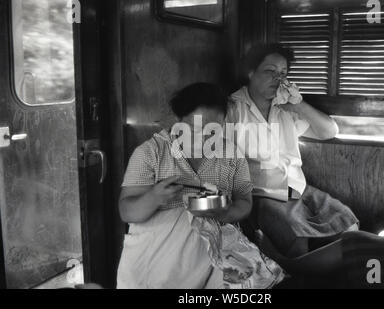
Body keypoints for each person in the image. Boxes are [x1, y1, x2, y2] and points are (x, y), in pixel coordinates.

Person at [116, 83, 284, 289]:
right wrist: (155, 196)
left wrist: (225, 212)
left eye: (214, 129)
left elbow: (244, 201)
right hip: (155, 262)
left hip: (209, 264)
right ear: (179, 120)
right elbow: (127, 211)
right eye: (196, 129)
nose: (205, 137)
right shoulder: (151, 153)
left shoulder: (230, 154)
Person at [226, 44, 359, 261]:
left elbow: (329, 131)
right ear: (250, 72)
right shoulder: (232, 109)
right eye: (270, 71)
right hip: (260, 194)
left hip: (297, 187)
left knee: (348, 225)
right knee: (295, 237)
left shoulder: (286, 108)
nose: (277, 79)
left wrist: (298, 105)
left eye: (283, 74)